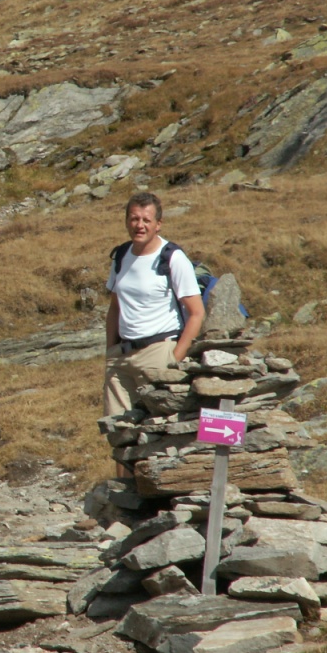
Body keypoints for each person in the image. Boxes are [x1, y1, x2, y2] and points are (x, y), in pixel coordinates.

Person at [104, 192, 205, 476]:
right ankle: (126, 494)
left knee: (157, 431)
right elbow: (115, 307)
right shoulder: (121, 256)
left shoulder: (172, 258)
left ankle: (158, 492)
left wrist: (174, 359)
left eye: (146, 220)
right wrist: (110, 351)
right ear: (126, 221)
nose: (140, 225)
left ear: (158, 224)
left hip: (159, 353)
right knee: (119, 433)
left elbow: (196, 313)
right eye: (134, 218)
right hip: (121, 358)